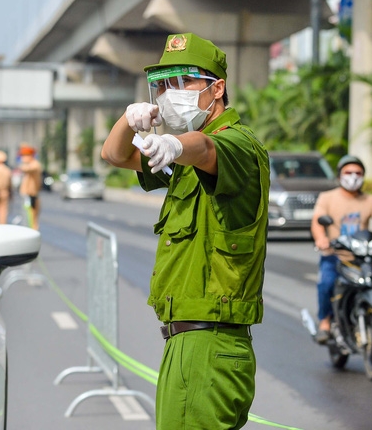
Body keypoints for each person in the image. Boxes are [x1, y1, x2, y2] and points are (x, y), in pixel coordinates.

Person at [101, 33, 269, 430]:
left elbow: (208, 150)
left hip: (210, 343)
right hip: (186, 343)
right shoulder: (183, 159)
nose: (169, 93)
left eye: (183, 82)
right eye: (162, 84)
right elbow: (114, 155)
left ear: (218, 88)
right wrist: (129, 120)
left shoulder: (239, 146)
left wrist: (175, 145)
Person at [311, 155, 372, 344]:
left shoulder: (370, 200)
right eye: (348, 172)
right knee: (327, 283)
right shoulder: (327, 197)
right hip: (335, 255)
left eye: (357, 173)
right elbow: (317, 222)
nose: (353, 176)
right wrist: (321, 239)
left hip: (363, 257)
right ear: (340, 175)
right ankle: (325, 322)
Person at [18, 144, 43, 230]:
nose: (23, 158)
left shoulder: (34, 164)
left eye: (25, 155)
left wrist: (23, 164)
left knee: (31, 219)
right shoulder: (30, 164)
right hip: (27, 195)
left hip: (31, 195)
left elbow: (27, 169)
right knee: (27, 218)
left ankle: (33, 235)